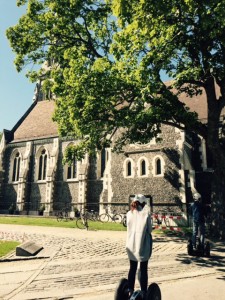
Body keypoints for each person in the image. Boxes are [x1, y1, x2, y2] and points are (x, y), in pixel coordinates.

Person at [126, 194, 152, 299]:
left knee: (132, 268)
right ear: (143, 203)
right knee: (143, 268)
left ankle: (129, 291)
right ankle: (144, 292)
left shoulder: (129, 213)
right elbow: (149, 230)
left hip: (131, 244)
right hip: (142, 245)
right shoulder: (146, 214)